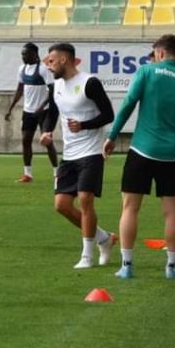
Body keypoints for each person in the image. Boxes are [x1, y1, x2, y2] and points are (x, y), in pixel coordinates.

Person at [103, 34, 175, 280]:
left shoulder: (147, 71)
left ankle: (127, 266)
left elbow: (128, 104)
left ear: (161, 52)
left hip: (141, 150)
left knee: (130, 208)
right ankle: (172, 267)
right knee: (172, 212)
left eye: (154, 53)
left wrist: (112, 136)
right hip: (171, 155)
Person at [39, 43, 118, 269]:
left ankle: (87, 256)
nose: (49, 65)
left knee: (85, 200)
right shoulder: (56, 85)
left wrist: (84, 125)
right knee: (61, 205)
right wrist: (47, 131)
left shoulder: (89, 83)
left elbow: (108, 115)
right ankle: (104, 238)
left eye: (52, 61)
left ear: (64, 60)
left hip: (91, 151)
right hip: (69, 153)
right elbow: (53, 112)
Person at [5, 42, 58, 184]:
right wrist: (11, 108)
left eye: (25, 54)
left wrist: (41, 106)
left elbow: (52, 91)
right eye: (22, 54)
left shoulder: (43, 69)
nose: (23, 56)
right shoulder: (22, 69)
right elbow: (19, 89)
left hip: (43, 112)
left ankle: (57, 173)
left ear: (34, 54)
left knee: (47, 142)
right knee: (25, 140)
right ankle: (28, 174)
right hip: (28, 112)